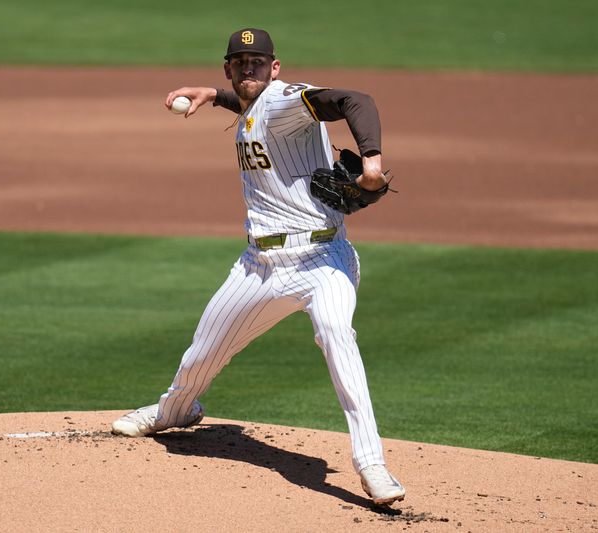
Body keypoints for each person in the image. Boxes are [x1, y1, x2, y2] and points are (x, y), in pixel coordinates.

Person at [111, 28, 404, 506]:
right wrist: (216, 96)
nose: (249, 69)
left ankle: (371, 462)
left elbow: (357, 99)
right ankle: (175, 410)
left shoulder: (288, 99)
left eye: (258, 62)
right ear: (229, 68)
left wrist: (371, 162)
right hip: (257, 267)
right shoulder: (252, 103)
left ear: (276, 67)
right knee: (203, 352)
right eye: (239, 62)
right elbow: (252, 107)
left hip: (320, 259)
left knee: (336, 334)